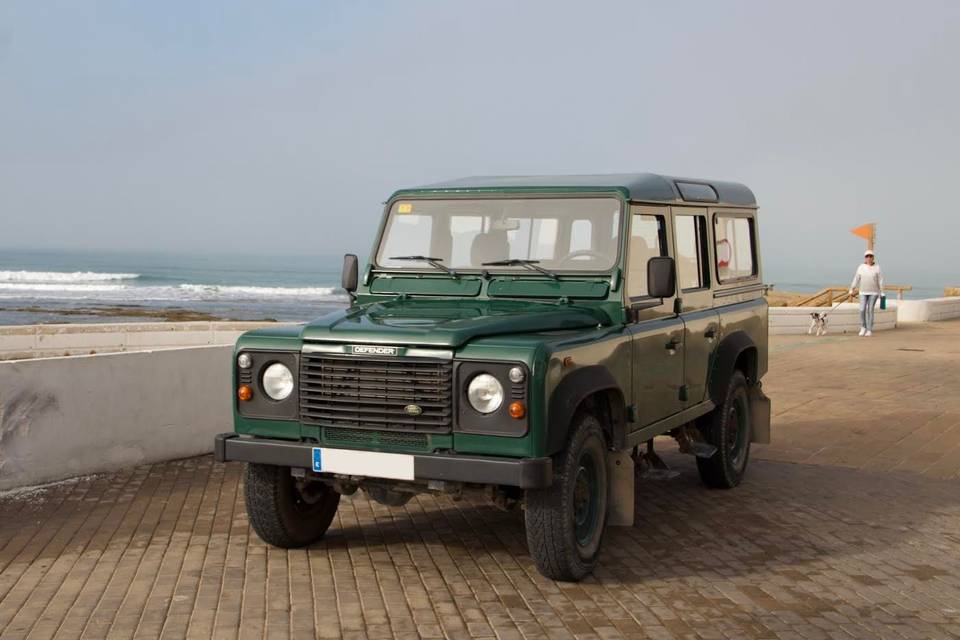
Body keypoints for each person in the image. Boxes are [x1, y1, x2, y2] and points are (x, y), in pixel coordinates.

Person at [849, 249, 884, 336]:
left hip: (874, 293)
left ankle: (869, 329)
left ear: (873, 258)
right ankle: (863, 327)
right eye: (867, 256)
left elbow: (881, 281)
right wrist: (852, 288)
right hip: (863, 292)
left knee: (870, 310)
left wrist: (882, 292)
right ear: (865, 258)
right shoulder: (861, 267)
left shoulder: (877, 267)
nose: (869, 258)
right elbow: (856, 278)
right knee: (862, 309)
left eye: (870, 256)